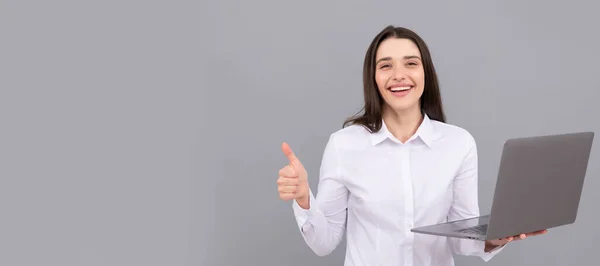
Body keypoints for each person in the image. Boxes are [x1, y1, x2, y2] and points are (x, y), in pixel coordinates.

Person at [276, 25, 547, 265]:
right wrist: (303, 199)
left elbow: (463, 241)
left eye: (410, 63)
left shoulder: (458, 144)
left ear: (425, 72)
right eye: (385, 65)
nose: (398, 75)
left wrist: (497, 238)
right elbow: (323, 244)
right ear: (373, 78)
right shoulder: (344, 145)